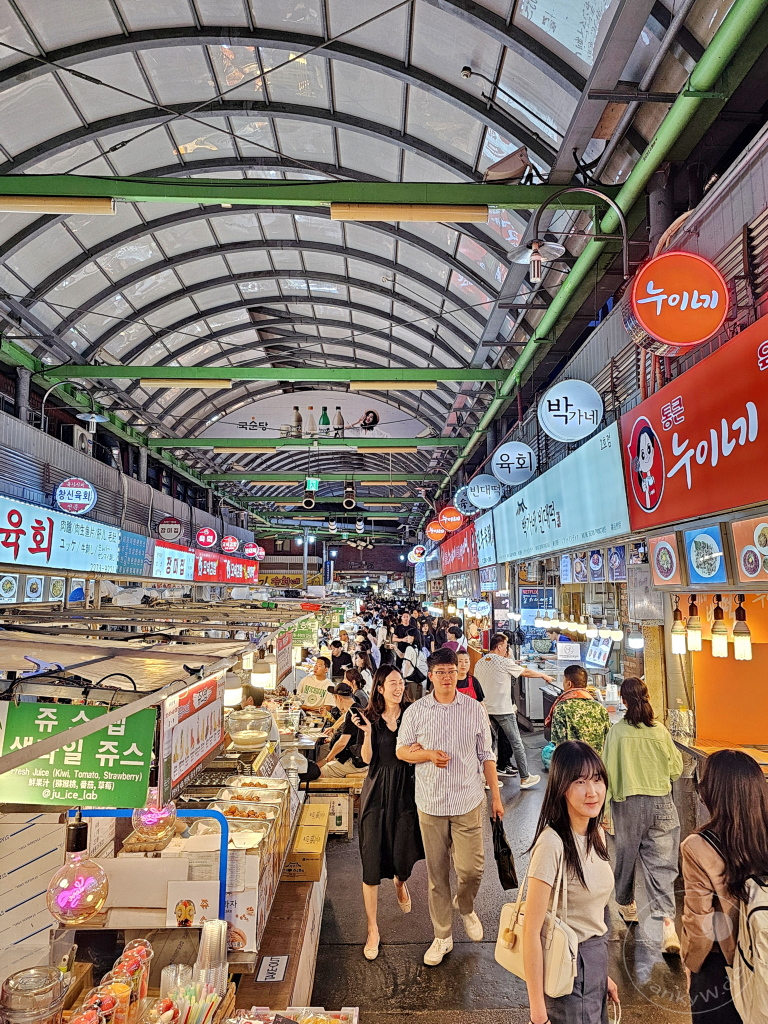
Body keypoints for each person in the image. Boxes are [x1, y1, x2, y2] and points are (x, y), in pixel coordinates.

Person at [396, 647, 503, 967]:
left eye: (451, 670)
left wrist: (496, 797)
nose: (446, 677)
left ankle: (466, 905)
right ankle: (442, 935)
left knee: (472, 869)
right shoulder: (416, 711)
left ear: (459, 673)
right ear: (430, 676)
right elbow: (402, 751)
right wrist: (427, 755)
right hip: (430, 803)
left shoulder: (473, 710)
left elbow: (487, 755)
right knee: (437, 874)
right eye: (440, 672)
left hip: (468, 800)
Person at [523, 741, 620, 1024]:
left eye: (597, 779)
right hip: (567, 973)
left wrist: (602, 976)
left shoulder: (596, 835)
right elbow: (531, 931)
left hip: (594, 963)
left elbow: (591, 917)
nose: (592, 792)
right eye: (580, 781)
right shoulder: (551, 844)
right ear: (562, 787)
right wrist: (538, 1014)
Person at [682, 749, 768, 1022]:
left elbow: (701, 926)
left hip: (724, 970)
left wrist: (691, 969)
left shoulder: (697, 846)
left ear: (712, 793)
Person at [601, 676, 683, 951]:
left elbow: (608, 773)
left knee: (625, 857)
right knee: (663, 865)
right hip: (662, 802)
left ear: (623, 701)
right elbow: (676, 770)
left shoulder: (617, 733)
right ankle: (668, 926)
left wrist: (603, 810)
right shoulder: (659, 730)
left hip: (628, 805)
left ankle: (626, 904)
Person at [353, 666, 425, 960]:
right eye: (392, 683)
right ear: (380, 688)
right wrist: (369, 733)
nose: (398, 687)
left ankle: (400, 882)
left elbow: (422, 748)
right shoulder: (369, 718)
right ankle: (373, 928)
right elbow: (366, 760)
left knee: (403, 852)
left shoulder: (414, 713)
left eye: (401, 683)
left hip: (406, 793)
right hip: (376, 793)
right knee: (371, 860)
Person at [474, 633, 551, 788]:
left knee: (489, 745)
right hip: (503, 709)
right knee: (516, 742)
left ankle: (488, 779)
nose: (507, 648)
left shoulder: (480, 662)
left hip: (486, 709)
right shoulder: (503, 661)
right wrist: (543, 675)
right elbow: (525, 672)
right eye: (506, 645)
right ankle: (525, 777)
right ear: (500, 645)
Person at [548, 665, 610, 753]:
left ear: (569, 684)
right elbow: (608, 739)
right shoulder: (600, 708)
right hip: (595, 763)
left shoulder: (562, 708)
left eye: (564, 681)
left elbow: (559, 742)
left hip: (572, 764)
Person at [317, 682, 369, 778]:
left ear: (338, 698)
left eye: (334, 698)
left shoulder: (353, 714)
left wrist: (327, 759)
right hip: (354, 758)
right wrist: (333, 728)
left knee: (319, 773)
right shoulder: (356, 707)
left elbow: (342, 743)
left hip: (354, 763)